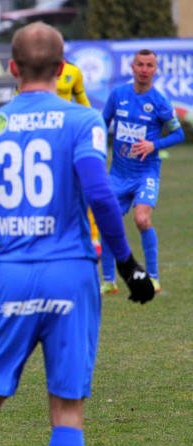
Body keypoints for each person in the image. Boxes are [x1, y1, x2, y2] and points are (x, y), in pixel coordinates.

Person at [0, 22, 155, 446]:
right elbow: (98, 194)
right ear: (61, 68)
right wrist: (129, 264)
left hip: (12, 277)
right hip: (71, 275)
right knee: (67, 412)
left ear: (13, 67)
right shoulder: (82, 120)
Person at [99, 48, 185, 295]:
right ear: (132, 68)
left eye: (150, 65)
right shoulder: (118, 95)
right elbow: (102, 123)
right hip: (118, 174)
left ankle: (154, 278)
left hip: (146, 173)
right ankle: (108, 282)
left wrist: (153, 145)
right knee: (108, 223)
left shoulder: (159, 102)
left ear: (155, 70)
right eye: (141, 64)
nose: (145, 69)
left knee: (142, 219)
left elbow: (178, 134)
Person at [57, 61, 102, 259]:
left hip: (68, 135)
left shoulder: (73, 71)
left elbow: (81, 98)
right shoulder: (34, 71)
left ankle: (93, 238)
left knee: (85, 187)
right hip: (45, 137)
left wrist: (93, 119)